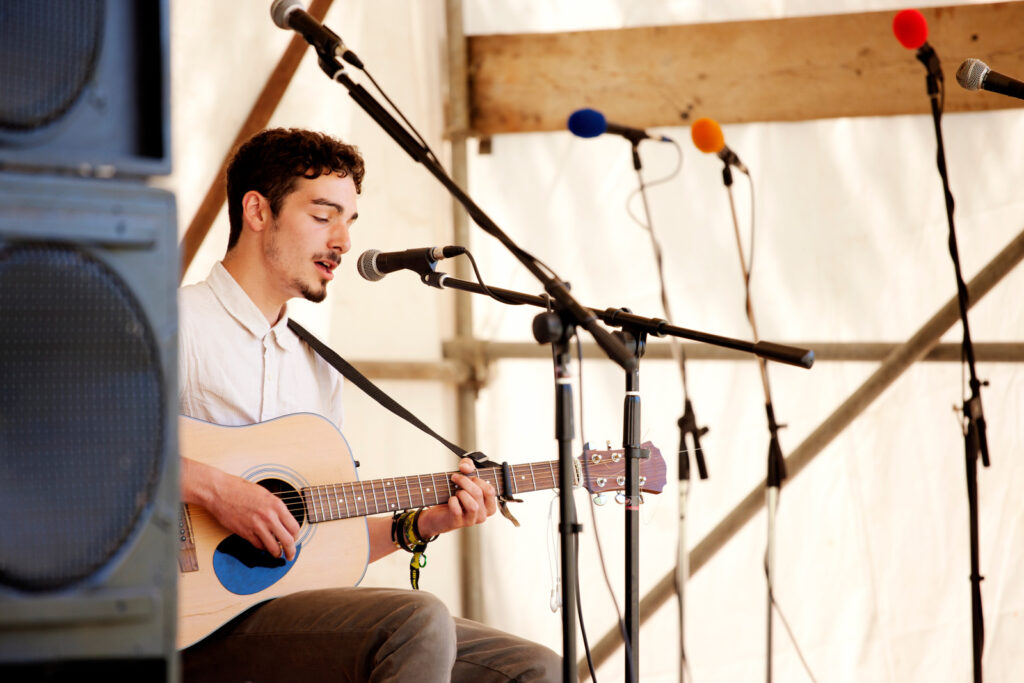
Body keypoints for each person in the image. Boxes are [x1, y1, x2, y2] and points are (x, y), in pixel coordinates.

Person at [178, 128, 559, 681]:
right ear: (258, 211)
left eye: (350, 221)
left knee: (531, 668)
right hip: (178, 622)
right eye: (324, 215)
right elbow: (71, 448)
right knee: (416, 619)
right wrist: (218, 490)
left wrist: (424, 523)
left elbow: (325, 538)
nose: (344, 241)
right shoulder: (172, 323)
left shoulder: (315, 366)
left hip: (286, 613)